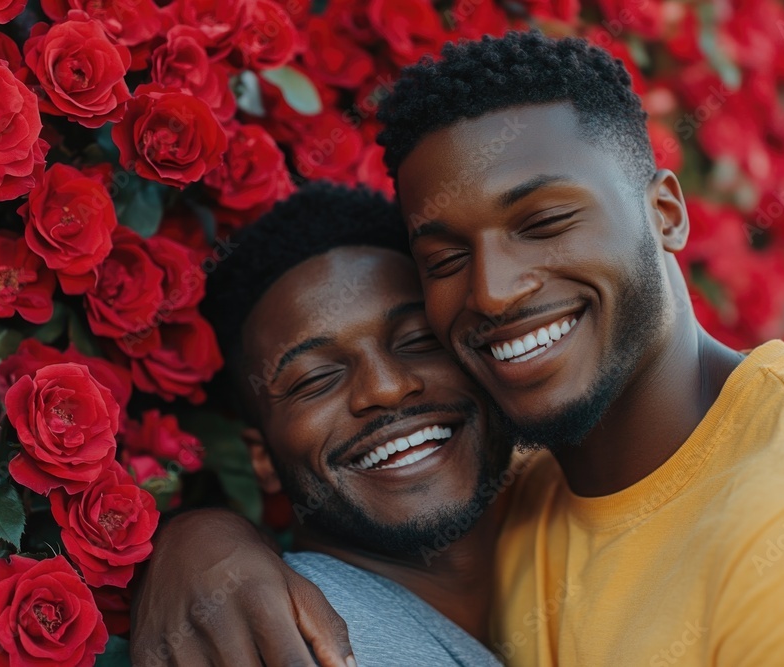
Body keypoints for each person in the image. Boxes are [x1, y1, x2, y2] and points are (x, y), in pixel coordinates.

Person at [135, 32, 784, 666]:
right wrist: (199, 540)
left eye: (543, 221)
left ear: (665, 211)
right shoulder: (520, 474)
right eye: (443, 258)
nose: (494, 291)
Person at [132, 181, 525, 667]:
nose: (385, 387)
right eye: (316, 379)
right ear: (262, 457)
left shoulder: (558, 531)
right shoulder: (279, 639)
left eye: (419, 342)